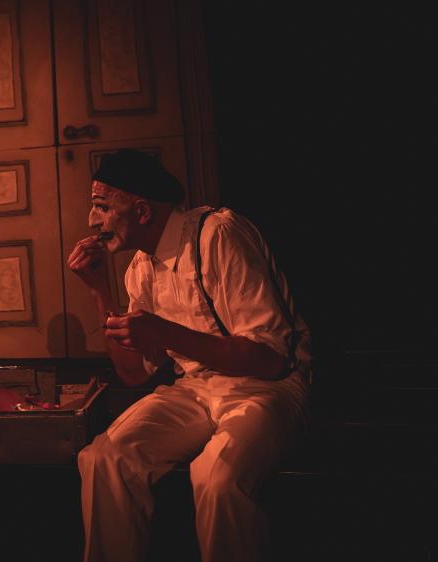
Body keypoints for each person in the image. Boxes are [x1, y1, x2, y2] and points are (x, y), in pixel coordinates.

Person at [68, 149, 311, 562]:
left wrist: (164, 332)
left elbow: (271, 360)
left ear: (142, 211)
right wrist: (99, 290)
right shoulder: (139, 270)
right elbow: (133, 373)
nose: (93, 220)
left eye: (102, 207)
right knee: (105, 458)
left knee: (217, 478)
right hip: (196, 387)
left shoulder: (217, 234)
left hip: (268, 387)